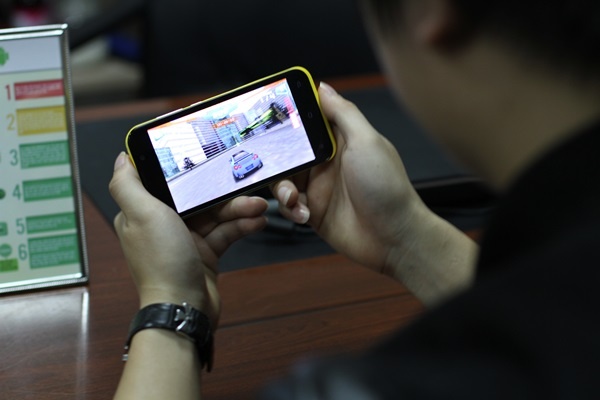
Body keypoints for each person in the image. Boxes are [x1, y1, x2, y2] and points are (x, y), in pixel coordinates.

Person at [110, 0, 600, 398]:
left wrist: (170, 304)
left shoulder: (367, 388)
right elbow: (553, 325)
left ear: (431, 9)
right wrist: (405, 237)